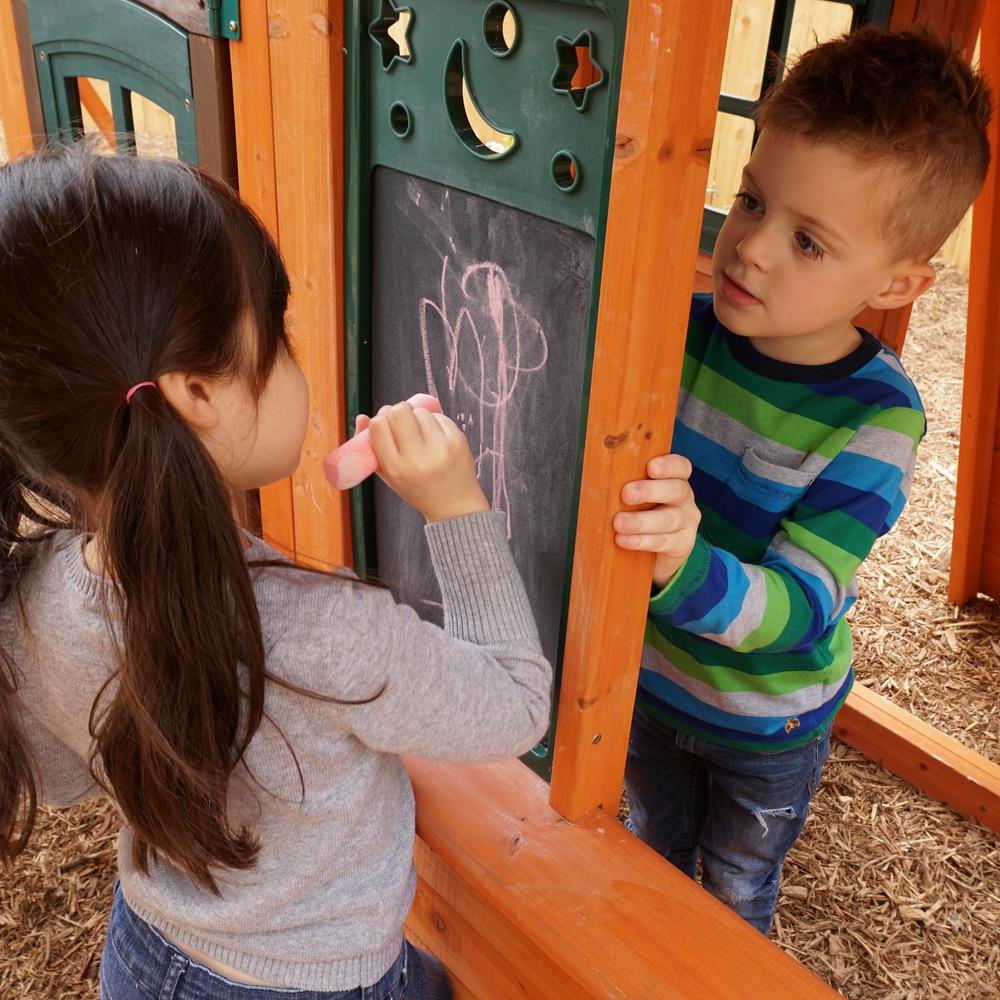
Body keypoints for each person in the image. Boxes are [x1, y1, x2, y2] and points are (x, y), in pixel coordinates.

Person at [0, 143, 552, 999]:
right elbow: (516, 703)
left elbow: (68, 773)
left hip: (148, 957)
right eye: (280, 333)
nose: (295, 359)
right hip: (318, 980)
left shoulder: (32, 596)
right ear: (198, 394)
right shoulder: (319, 632)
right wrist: (455, 507)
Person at [612, 26, 992, 934]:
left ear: (899, 286)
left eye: (809, 242)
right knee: (642, 857)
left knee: (737, 890)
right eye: (751, 201)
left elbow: (802, 602)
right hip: (645, 684)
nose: (751, 248)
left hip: (767, 720)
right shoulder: (683, 326)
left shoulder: (877, 417)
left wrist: (678, 562)